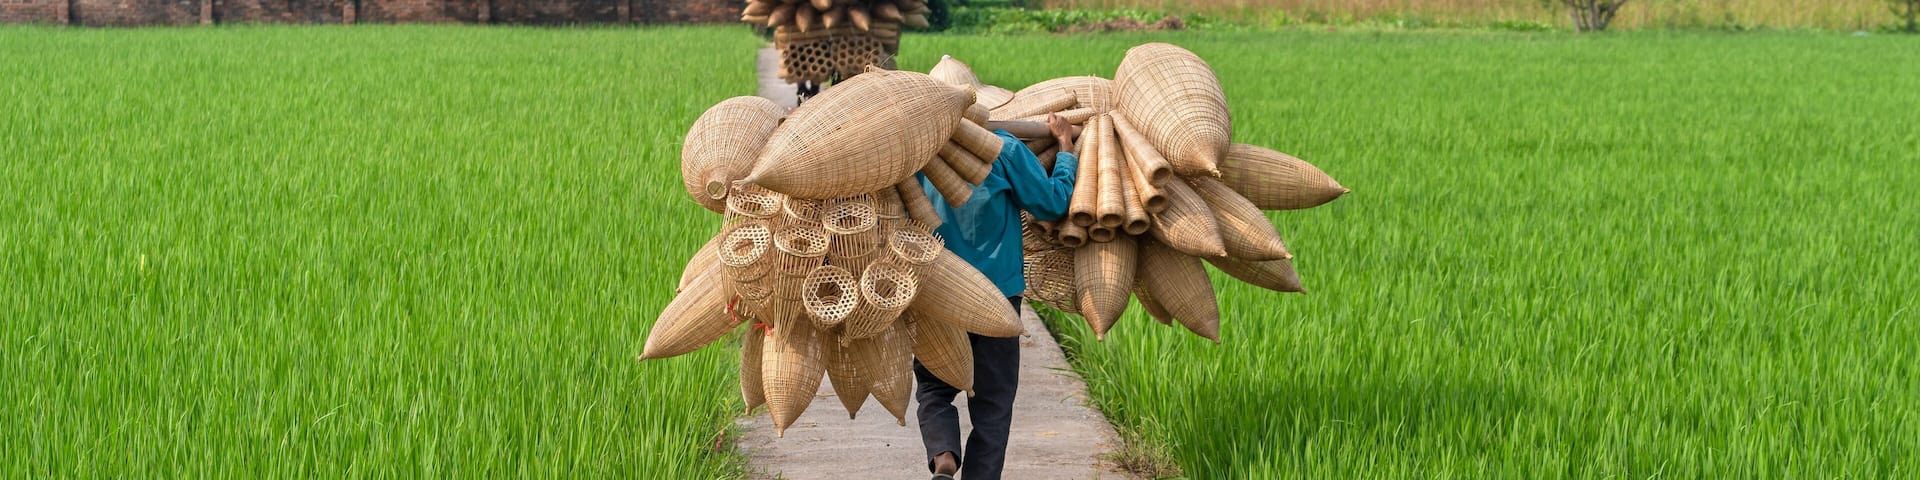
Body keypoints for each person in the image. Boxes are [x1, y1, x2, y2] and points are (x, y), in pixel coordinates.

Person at [914, 114, 1079, 480]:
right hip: (999, 297)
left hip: (938, 294)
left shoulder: (918, 153)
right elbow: (1051, 203)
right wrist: (1065, 148)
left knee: (934, 389)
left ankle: (944, 455)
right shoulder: (1004, 148)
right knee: (993, 407)